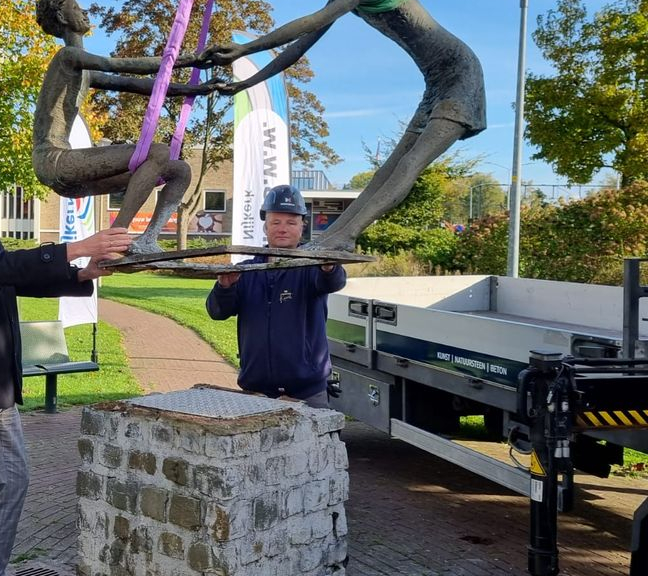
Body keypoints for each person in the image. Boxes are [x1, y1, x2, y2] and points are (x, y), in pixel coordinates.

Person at [0, 135, 132, 576]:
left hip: (1, 387)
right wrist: (76, 247)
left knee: (13, 483)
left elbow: (17, 276)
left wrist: (81, 272)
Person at [199, 0, 486, 251]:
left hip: (461, 78)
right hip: (435, 83)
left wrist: (245, 48)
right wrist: (245, 84)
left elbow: (311, 22)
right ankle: (332, 237)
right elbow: (298, 48)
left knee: (410, 162)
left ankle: (346, 234)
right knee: (386, 171)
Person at [34, 0, 217, 253]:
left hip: (71, 178)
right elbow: (117, 64)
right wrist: (188, 60)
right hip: (53, 161)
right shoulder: (68, 57)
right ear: (62, 18)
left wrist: (195, 89)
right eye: (76, 7)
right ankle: (115, 242)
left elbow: (138, 84)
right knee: (158, 152)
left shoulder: (83, 70)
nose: (84, 11)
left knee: (180, 171)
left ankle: (148, 239)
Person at [205, 185, 347, 408]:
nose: (283, 228)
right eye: (276, 222)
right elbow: (217, 312)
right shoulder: (246, 271)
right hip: (256, 392)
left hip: (307, 392)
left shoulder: (312, 268)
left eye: (291, 222)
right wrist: (225, 287)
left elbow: (334, 281)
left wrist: (329, 266)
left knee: (315, 444)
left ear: (302, 227)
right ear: (266, 226)